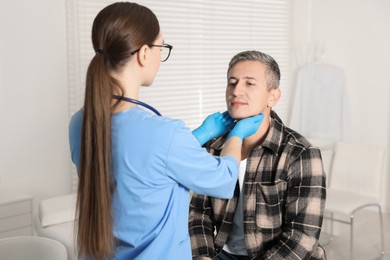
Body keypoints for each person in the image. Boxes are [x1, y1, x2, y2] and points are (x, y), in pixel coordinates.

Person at [68, 2, 263, 260]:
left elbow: (142, 169)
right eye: (162, 47)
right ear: (144, 53)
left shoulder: (80, 122)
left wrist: (200, 135)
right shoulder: (164, 133)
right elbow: (225, 180)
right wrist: (237, 135)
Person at [189, 50, 327, 260]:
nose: (236, 91)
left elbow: (302, 238)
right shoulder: (211, 146)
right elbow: (198, 215)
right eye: (232, 82)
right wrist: (203, 257)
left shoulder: (301, 154)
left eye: (249, 83)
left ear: (273, 96)